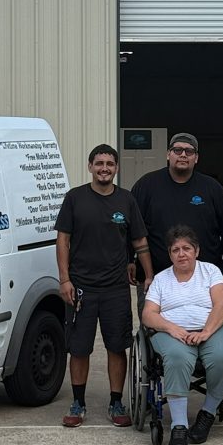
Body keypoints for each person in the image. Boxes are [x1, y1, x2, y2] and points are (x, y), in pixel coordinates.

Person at [55, 143, 153, 429]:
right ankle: (78, 404)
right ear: (90, 167)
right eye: (99, 163)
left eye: (110, 164)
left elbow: (139, 241)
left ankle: (116, 403)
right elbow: (63, 240)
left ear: (117, 168)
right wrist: (64, 279)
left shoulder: (126, 200)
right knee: (79, 348)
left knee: (116, 346)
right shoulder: (75, 198)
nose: (104, 169)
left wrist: (149, 275)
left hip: (116, 289)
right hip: (81, 288)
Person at [142, 224, 223, 445]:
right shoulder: (161, 279)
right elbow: (148, 314)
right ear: (170, 254)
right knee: (176, 358)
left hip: (215, 328)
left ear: (197, 251)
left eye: (186, 248)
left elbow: (222, 304)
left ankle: (207, 413)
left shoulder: (210, 271)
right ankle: (179, 426)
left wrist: (206, 332)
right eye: (175, 250)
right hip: (173, 333)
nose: (181, 254)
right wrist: (172, 328)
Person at [130, 133, 223, 303]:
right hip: (154, 281)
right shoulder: (146, 185)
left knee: (206, 321)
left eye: (189, 151)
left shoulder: (213, 189)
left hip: (204, 284)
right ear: (168, 154)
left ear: (196, 158)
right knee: (152, 320)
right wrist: (129, 260)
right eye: (177, 150)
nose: (183, 155)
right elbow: (132, 228)